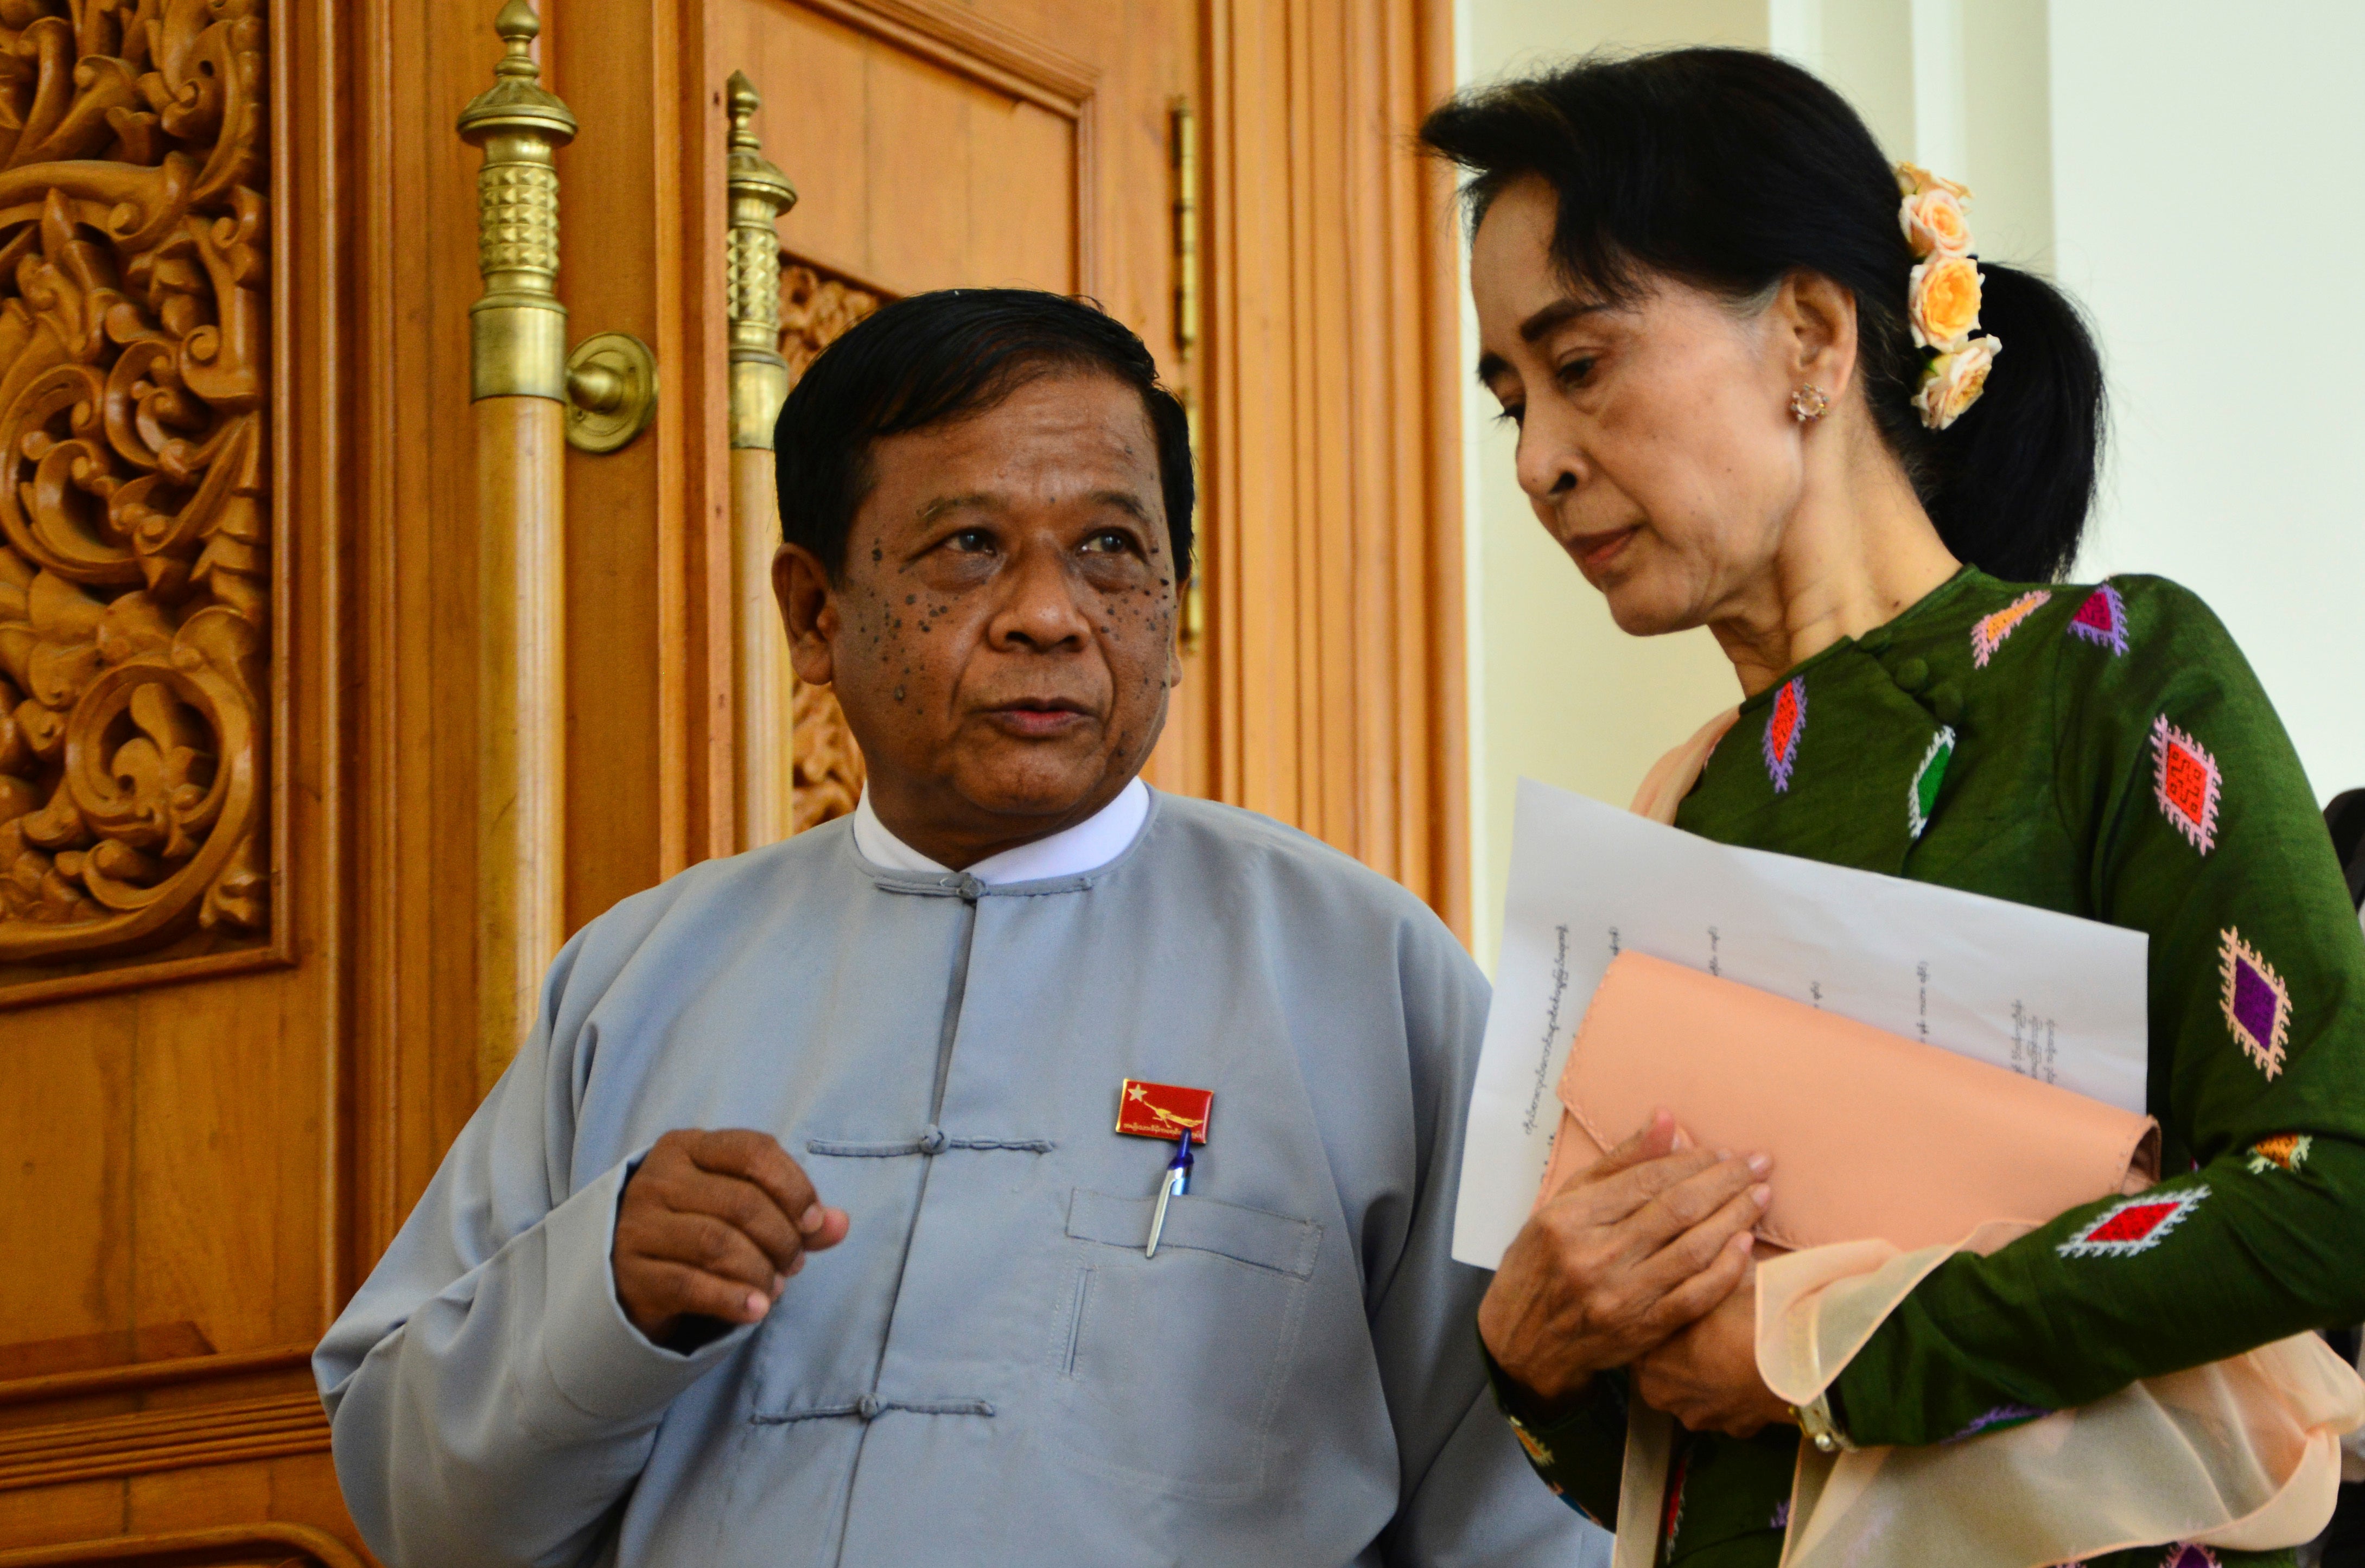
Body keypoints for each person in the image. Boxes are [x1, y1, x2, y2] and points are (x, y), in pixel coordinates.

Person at [313, 289, 1601, 1567]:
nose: (1049, 612)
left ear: (1173, 598)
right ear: (814, 613)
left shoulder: (1363, 973)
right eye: (968, 545)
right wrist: (601, 1297)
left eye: (1110, 548)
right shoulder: (637, 978)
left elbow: (1527, 1509)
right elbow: (415, 1506)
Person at [1420, 47, 2365, 1567]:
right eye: (1507, 401)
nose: (1535, 462)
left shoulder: (2101, 679)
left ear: (1804, 334)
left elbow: (2328, 1186)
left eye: (1577, 365)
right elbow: (1665, 1464)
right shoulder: (1666, 821)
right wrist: (1532, 1350)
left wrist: (1833, 1346)